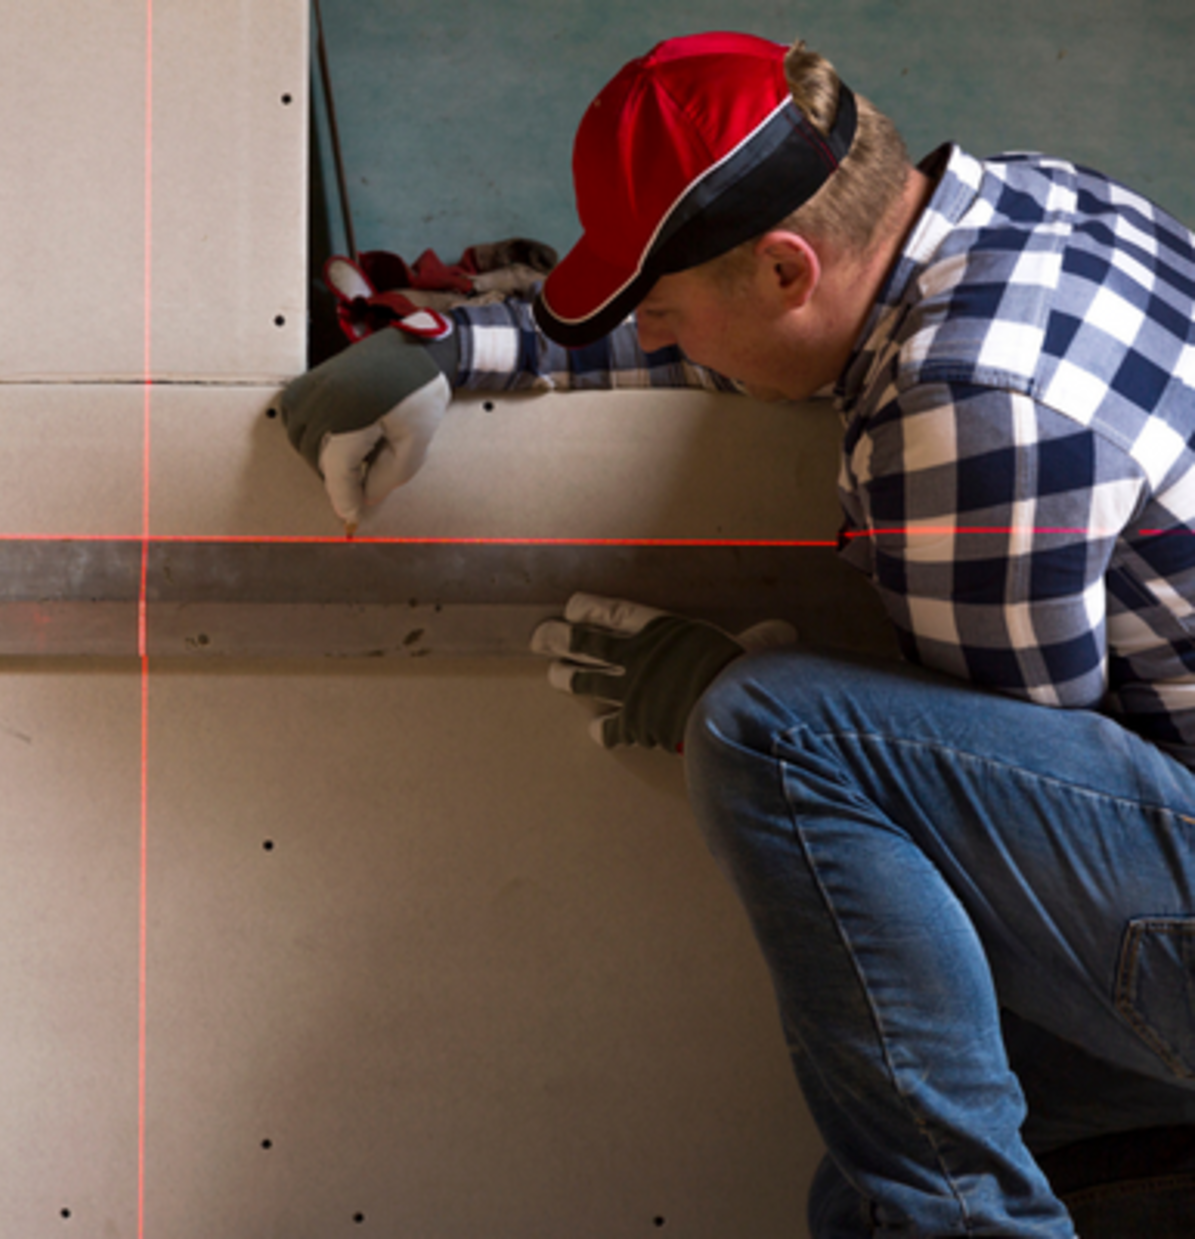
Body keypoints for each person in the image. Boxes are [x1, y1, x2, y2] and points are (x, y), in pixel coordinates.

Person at [278, 30, 1195, 1237]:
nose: (653, 339)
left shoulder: (964, 411)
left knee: (777, 733)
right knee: (873, 1192)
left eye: (663, 311)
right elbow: (776, 346)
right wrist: (450, 348)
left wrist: (730, 689)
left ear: (782, 268)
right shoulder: (1016, 206)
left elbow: (985, 807)